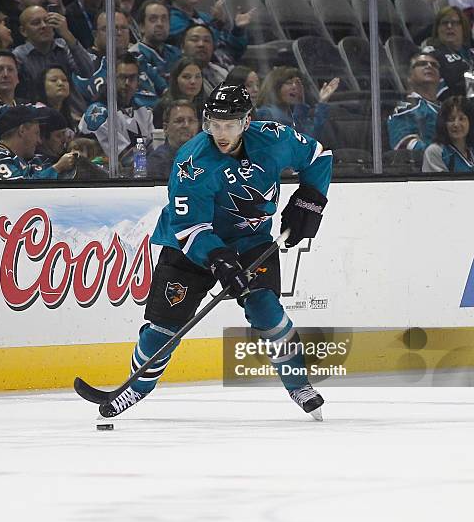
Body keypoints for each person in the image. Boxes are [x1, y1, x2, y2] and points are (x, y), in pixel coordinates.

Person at [97, 83, 332, 420]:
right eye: (215, 125)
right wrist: (219, 260)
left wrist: (310, 201)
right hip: (190, 247)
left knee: (265, 309)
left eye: (230, 125)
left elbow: (318, 156)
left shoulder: (275, 139)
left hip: (251, 242)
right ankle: (136, 387)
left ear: (247, 121)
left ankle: (299, 385)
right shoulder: (191, 162)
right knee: (164, 326)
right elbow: (191, 227)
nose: (221, 134)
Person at [78, 52, 154, 172]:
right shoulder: (97, 113)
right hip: (101, 182)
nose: (127, 83)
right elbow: (126, 158)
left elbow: (152, 150)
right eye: (122, 77)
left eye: (132, 78)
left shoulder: (144, 112)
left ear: (138, 80)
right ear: (110, 79)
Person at [158, 0, 252, 66]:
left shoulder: (205, 17)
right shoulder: (169, 20)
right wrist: (217, 24)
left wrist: (238, 30)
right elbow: (204, 46)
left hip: (224, 69)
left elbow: (234, 51)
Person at [13, 5, 94, 101]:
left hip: (72, 109)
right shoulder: (19, 55)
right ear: (23, 31)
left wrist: (67, 35)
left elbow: (88, 71)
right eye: (36, 23)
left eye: (47, 21)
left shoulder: (63, 45)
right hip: (37, 111)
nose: (43, 26)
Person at [0, 104, 76, 180]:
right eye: (36, 133)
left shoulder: (29, 161)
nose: (39, 141)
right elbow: (20, 192)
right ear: (22, 130)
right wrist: (57, 168)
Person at [256, 67, 339, 140]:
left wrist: (322, 102)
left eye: (298, 84)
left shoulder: (292, 113)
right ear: (275, 87)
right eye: (289, 83)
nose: (295, 87)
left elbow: (310, 139)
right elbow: (292, 142)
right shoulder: (265, 114)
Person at [387, 52, 441, 152]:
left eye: (434, 65)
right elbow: (404, 146)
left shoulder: (449, 108)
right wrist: (444, 155)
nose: (429, 66)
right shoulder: (406, 108)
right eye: (421, 64)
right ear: (409, 77)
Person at [422, 6, 473, 100]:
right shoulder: (431, 54)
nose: (449, 26)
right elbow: (439, 94)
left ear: (464, 28)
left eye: (454, 23)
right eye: (444, 23)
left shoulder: (470, 53)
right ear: (437, 29)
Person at [129, 0, 181, 82]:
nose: (160, 24)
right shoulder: (133, 56)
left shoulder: (176, 53)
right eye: (153, 19)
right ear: (141, 26)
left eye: (164, 19)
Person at [147, 99, 199, 180]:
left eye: (191, 121)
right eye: (179, 121)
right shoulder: (158, 161)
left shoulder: (204, 156)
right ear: (165, 128)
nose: (186, 125)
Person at [423, 95, 474, 172]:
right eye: (451, 119)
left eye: (461, 119)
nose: (456, 124)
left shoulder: (471, 150)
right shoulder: (435, 151)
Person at [152, 56, 205, 128]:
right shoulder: (162, 108)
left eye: (198, 76)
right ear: (175, 80)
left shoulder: (206, 108)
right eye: (186, 77)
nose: (193, 81)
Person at [180, 24, 228, 94]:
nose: (201, 44)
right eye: (195, 40)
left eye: (206, 40)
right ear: (182, 47)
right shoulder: (178, 76)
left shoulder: (222, 72)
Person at [35, 64, 82, 129]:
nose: (60, 83)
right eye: (54, 80)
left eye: (64, 80)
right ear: (42, 86)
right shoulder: (38, 115)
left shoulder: (71, 116)